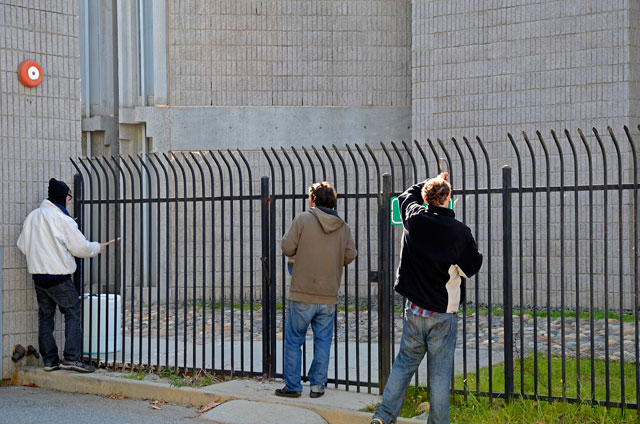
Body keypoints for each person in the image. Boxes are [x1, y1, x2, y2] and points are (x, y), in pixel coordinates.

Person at [371, 174, 483, 424]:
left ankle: (383, 417)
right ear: (448, 198)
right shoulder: (459, 232)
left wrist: (430, 181)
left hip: (414, 309)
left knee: (403, 365)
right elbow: (470, 268)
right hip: (443, 313)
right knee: (440, 375)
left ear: (425, 199)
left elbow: (405, 196)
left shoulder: (413, 218)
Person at [276, 181, 357, 398]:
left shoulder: (303, 219)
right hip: (328, 294)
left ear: (313, 199)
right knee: (323, 342)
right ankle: (317, 386)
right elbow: (350, 255)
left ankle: (293, 387)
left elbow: (287, 247)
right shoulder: (343, 226)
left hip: (302, 291)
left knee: (294, 341)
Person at [17, 178, 106, 373]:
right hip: (59, 276)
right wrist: (96, 248)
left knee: (45, 317)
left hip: (39, 276)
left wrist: (39, 257)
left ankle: (50, 360)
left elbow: (22, 245)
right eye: (68, 196)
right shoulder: (62, 219)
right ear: (62, 197)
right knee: (73, 312)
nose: (69, 200)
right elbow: (81, 247)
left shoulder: (33, 216)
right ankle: (72, 358)